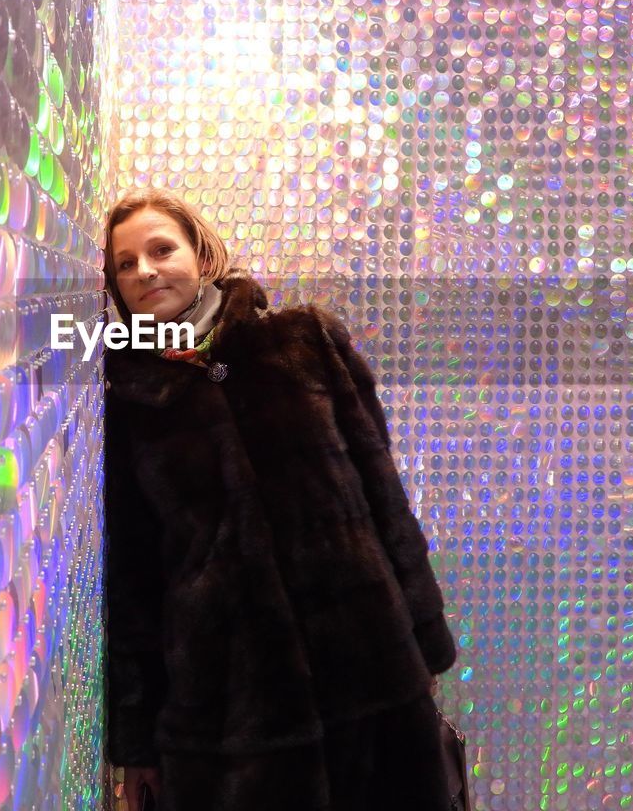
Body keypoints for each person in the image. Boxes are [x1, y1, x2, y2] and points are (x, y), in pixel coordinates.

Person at [101, 187, 458, 811]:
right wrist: (137, 744)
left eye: (161, 250)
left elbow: (384, 495)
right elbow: (132, 580)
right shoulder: (131, 403)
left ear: (201, 255)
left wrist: (423, 638)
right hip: (233, 706)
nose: (145, 271)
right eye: (125, 264)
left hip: (368, 664)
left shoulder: (306, 341)